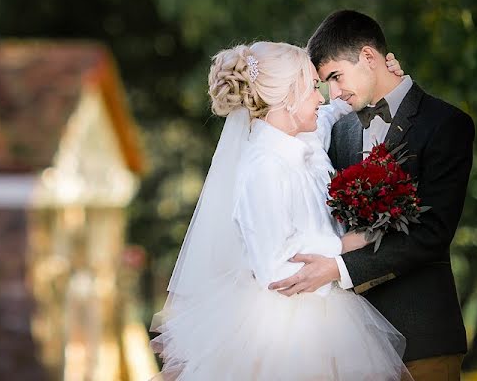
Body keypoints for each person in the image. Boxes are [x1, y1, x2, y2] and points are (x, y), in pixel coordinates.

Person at [150, 41, 412, 380]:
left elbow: (331, 109)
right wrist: (346, 245)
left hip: (323, 318)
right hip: (287, 335)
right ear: (286, 98)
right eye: (310, 89)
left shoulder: (300, 142)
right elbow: (273, 267)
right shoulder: (263, 168)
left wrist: (375, 80)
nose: (320, 97)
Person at [268, 10, 474, 381]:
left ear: (368, 57)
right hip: (351, 346)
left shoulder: (445, 125)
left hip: (422, 336)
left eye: (335, 76)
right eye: (325, 83)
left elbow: (432, 233)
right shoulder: (340, 131)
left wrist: (338, 268)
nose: (333, 93)